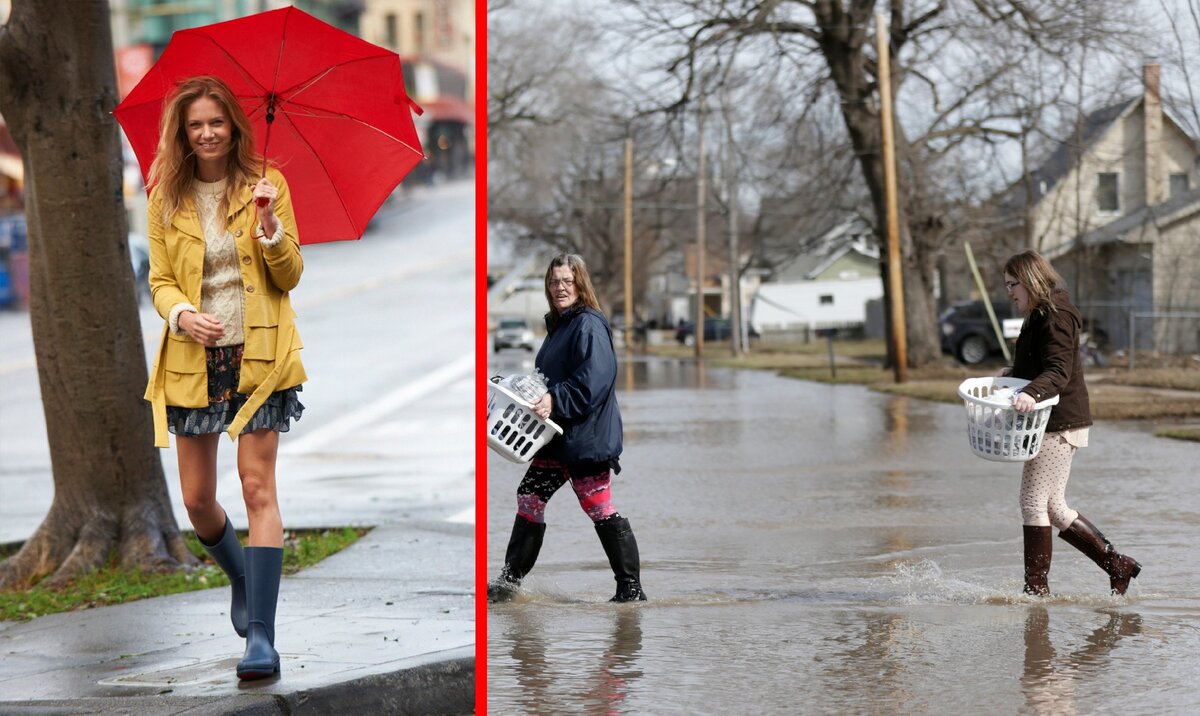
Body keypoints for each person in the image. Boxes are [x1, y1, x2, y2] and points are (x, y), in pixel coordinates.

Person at [143, 76, 306, 680]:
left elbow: (289, 276)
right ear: (183, 134)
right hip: (193, 359)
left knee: (257, 487)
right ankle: (242, 579)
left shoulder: (269, 185)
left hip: (260, 355)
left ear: (234, 124)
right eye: (196, 125)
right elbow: (160, 282)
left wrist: (269, 227)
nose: (208, 132)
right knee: (196, 499)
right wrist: (183, 315)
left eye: (217, 121)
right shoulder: (165, 198)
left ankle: (261, 636)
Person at [488, 253, 647, 603]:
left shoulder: (589, 324)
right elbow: (552, 376)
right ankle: (509, 582)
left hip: (585, 437)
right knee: (529, 496)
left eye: (566, 281)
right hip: (554, 437)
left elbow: (595, 380)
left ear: (579, 284)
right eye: (554, 281)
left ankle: (630, 589)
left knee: (599, 506)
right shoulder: (559, 325)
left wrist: (555, 399)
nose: (559, 287)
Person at [1000, 250, 1140, 597]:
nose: (1009, 293)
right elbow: (1042, 362)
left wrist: (1031, 393)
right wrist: (1013, 376)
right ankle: (1116, 564)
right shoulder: (1039, 314)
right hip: (1049, 420)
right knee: (1053, 505)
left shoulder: (1057, 315)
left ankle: (1036, 590)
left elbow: (1059, 371)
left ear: (1030, 280)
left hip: (1059, 421)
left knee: (1033, 502)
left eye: (1011, 284)